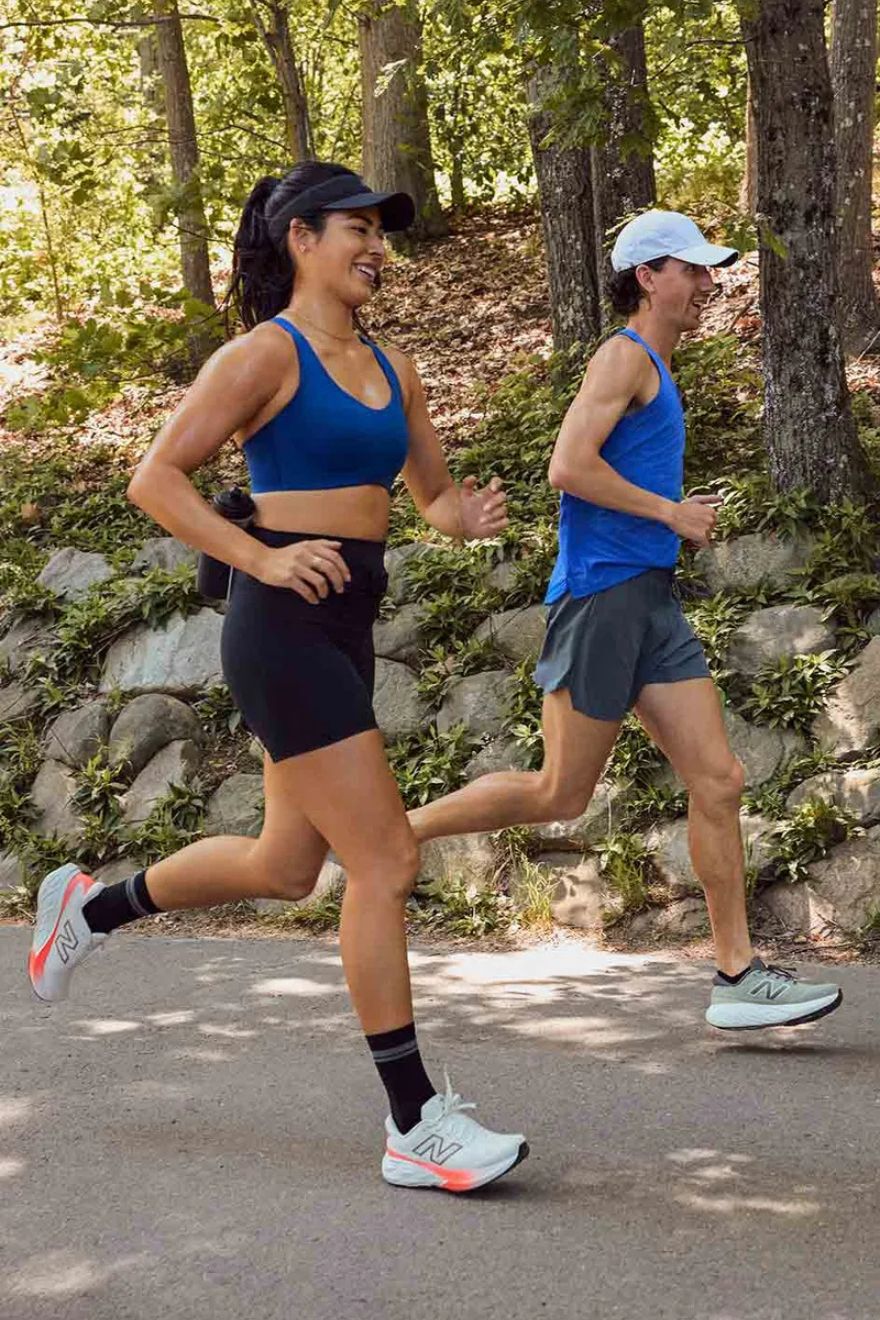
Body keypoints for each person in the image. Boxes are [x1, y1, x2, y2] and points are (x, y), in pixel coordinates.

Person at [27, 160, 529, 1193]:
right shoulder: (266, 353)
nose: (377, 248)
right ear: (301, 238)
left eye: (382, 233)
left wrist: (464, 519)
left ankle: (88, 909)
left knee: (286, 866)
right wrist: (259, 559)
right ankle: (413, 1122)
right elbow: (155, 478)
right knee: (384, 860)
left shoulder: (393, 367)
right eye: (358, 229)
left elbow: (430, 498)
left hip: (346, 621)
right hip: (280, 627)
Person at [409, 210, 842, 1031]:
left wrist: (671, 516)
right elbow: (566, 466)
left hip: (650, 600)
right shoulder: (624, 355)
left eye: (709, 271)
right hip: (602, 597)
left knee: (719, 779)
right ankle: (395, 836)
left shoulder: (658, 367)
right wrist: (670, 513)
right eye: (693, 269)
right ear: (648, 277)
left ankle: (736, 975)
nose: (708, 284)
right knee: (559, 791)